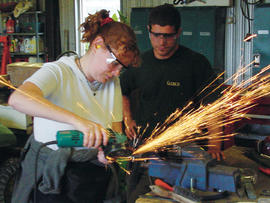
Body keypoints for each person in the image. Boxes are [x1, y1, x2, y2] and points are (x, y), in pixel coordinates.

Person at [9, 9, 140, 203]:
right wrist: (79, 122)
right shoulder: (58, 71)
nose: (116, 73)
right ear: (97, 45)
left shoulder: (112, 83)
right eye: (115, 64)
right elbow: (18, 99)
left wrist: (110, 152)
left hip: (89, 178)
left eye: (122, 68)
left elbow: (115, 130)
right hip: (52, 177)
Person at [120, 4, 224, 202]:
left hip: (181, 149)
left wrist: (214, 145)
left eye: (168, 35)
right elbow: (123, 90)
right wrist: (128, 118)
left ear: (178, 32)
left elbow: (213, 107)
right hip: (144, 145)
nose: (162, 42)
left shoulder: (196, 63)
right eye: (156, 35)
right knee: (131, 195)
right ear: (149, 31)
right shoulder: (140, 62)